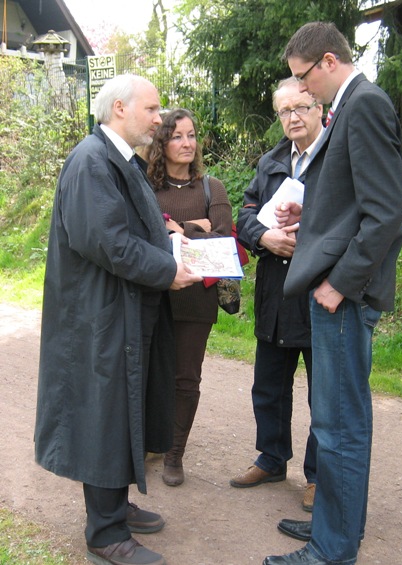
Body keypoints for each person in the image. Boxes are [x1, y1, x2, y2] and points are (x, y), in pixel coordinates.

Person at [34, 75, 202, 565]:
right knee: (103, 414)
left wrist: (174, 248)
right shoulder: (91, 161)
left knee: (121, 407)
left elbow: (134, 231)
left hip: (122, 308)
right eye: (152, 109)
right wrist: (168, 270)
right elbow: (106, 242)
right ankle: (105, 533)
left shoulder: (117, 158)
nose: (160, 119)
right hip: (99, 314)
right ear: (120, 108)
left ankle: (114, 506)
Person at [263, 22, 402, 565]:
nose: (302, 93)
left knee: (338, 424)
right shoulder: (352, 105)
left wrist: (338, 285)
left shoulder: (363, 103)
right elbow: (352, 201)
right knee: (339, 421)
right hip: (338, 288)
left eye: (303, 79)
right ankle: (336, 525)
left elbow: (386, 215)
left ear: (327, 61)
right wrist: (312, 213)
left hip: (343, 297)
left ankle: (331, 550)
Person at [229, 78, 324, 514]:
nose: (293, 118)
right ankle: (271, 458)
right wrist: (265, 237)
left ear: (319, 107)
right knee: (267, 386)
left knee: (321, 394)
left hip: (319, 293)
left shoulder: (335, 160)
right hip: (274, 292)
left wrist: (306, 239)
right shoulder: (270, 162)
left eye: (301, 108)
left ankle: (319, 477)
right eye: (285, 111)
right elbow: (245, 215)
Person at [146, 108, 233, 487]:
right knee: (150, 373)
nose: (187, 143)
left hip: (197, 299)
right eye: (177, 136)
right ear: (161, 142)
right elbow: (144, 237)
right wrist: (199, 227)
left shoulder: (212, 188)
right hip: (155, 294)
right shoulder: (147, 188)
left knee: (185, 379)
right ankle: (150, 441)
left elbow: (225, 241)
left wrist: (178, 229)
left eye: (192, 135)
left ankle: (174, 453)